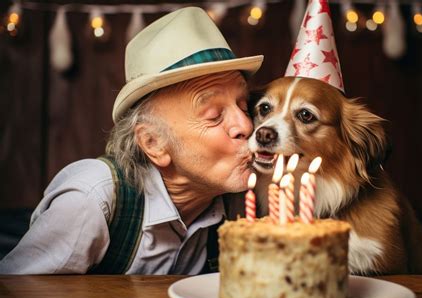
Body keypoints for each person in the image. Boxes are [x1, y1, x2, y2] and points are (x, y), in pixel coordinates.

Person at [0, 7, 263, 274]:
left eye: (244, 106)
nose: (246, 125)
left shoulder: (243, 205)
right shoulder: (92, 200)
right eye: (214, 115)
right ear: (153, 143)